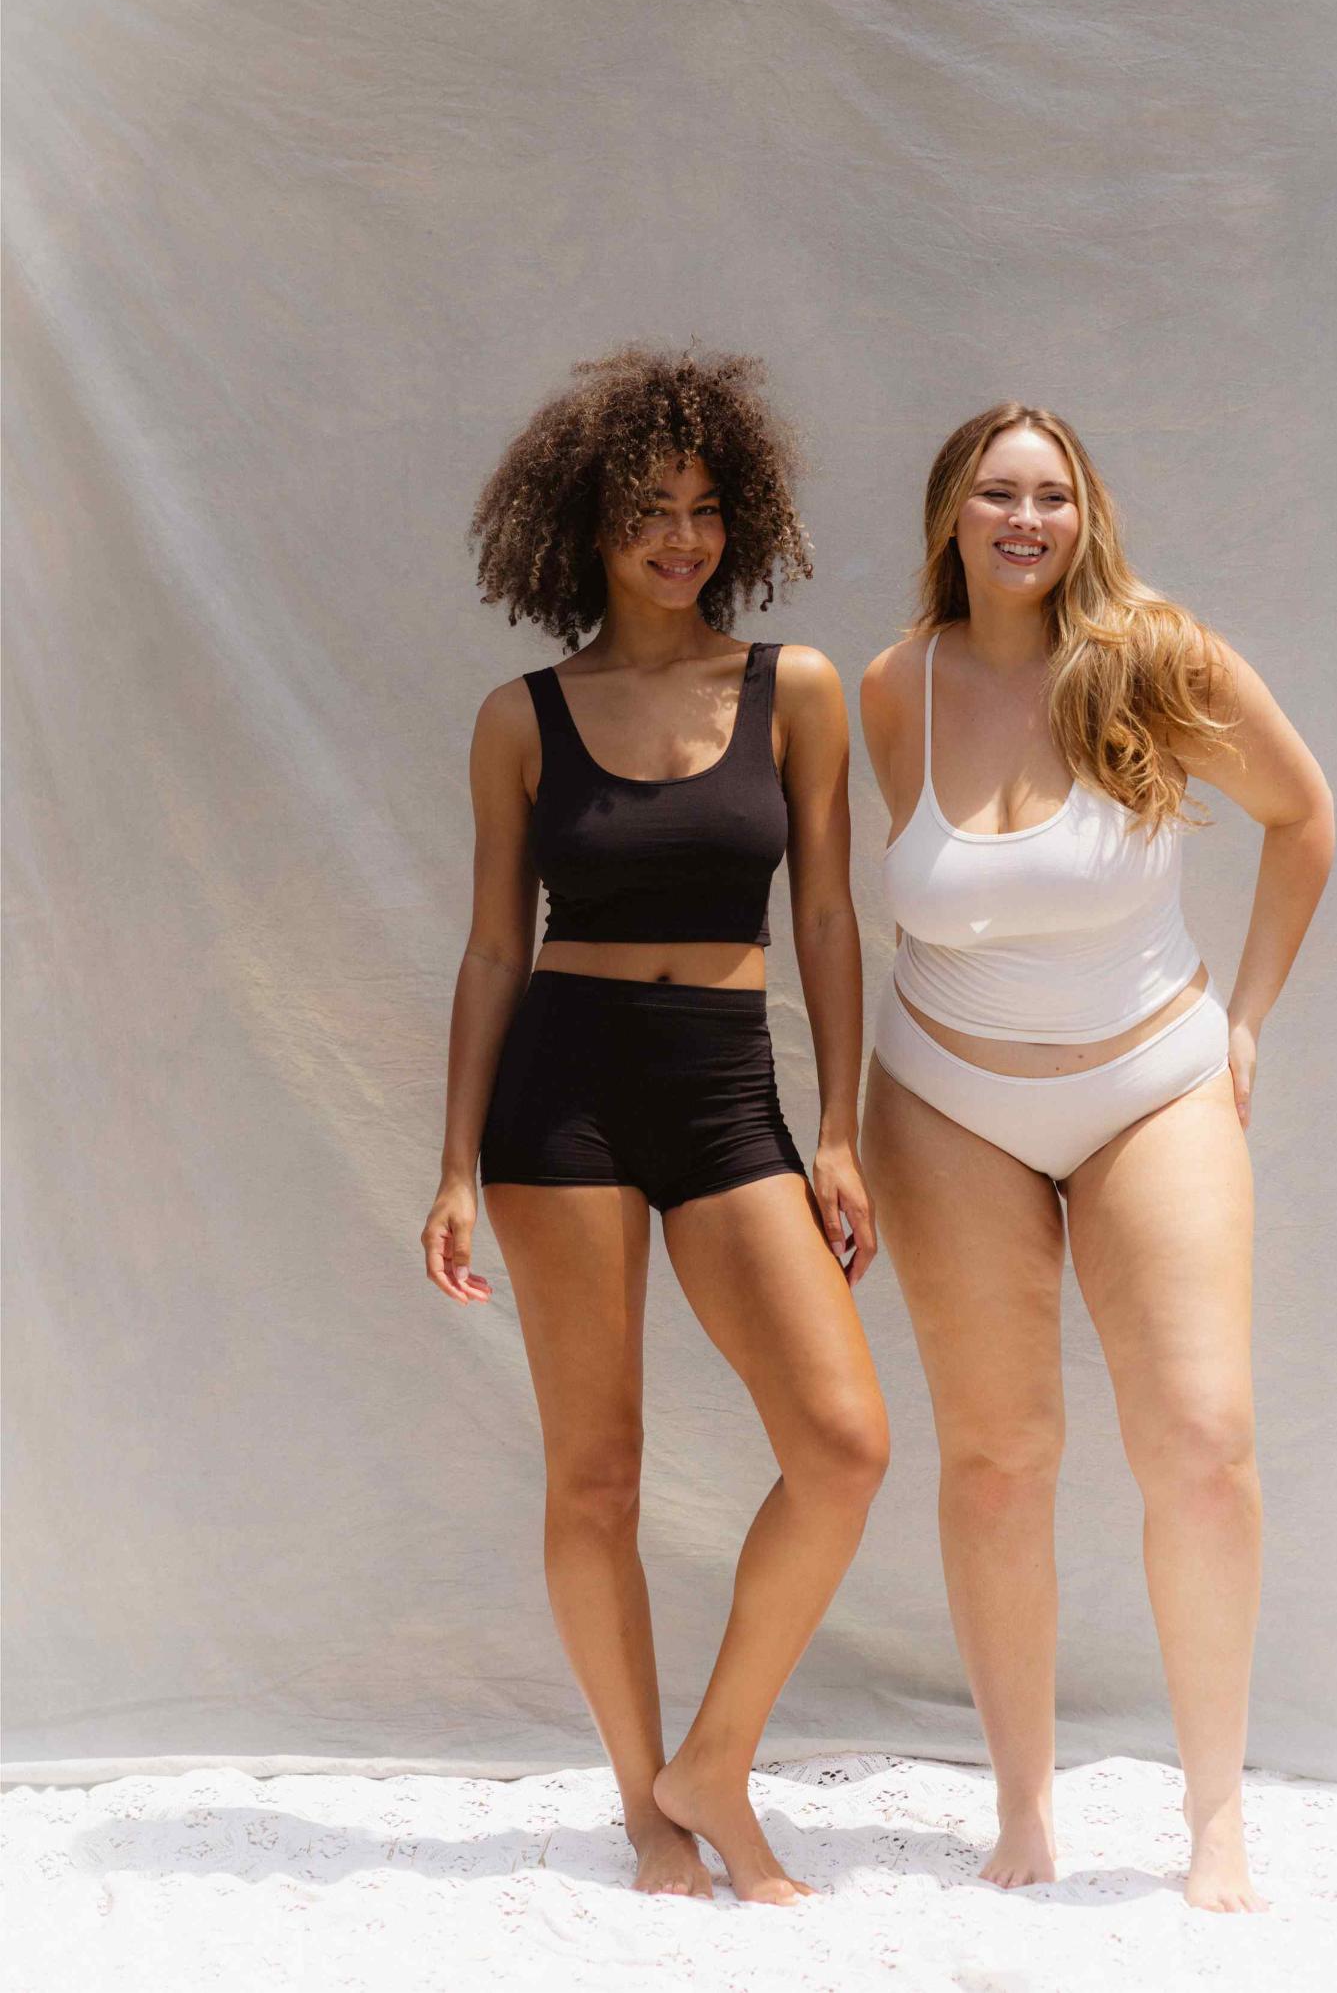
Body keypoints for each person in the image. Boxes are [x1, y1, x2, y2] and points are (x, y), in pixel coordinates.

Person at [423, 343, 887, 1906]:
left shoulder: (793, 689)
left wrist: (838, 1131)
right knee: (596, 1474)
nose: (680, 539)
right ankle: (649, 1812)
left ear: (736, 515)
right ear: (588, 526)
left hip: (722, 1084)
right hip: (560, 1094)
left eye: (702, 509)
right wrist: (451, 1166)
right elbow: (495, 950)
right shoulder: (522, 718)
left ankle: (715, 1761)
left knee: (842, 1445)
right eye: (647, 511)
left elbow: (827, 918)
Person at [859, 401, 1334, 1914]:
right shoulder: (893, 686)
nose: (1026, 520)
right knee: (999, 1461)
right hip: (946, 1100)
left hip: (1150, 1085)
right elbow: (902, 900)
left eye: (1052, 496)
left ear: (1087, 516)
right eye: (997, 493)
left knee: (1202, 1442)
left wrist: (1245, 1020)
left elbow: (1303, 816)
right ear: (951, 513)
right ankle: (1022, 1803)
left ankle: (1215, 1814)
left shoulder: (1155, 659)